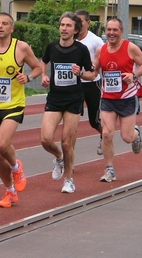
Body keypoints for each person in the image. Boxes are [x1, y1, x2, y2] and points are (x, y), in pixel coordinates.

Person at [0, 12, 42, 208]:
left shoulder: (21, 47)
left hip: (13, 105)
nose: (0, 26)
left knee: (1, 143)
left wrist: (28, 78)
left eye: (5, 23)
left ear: (11, 28)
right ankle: (10, 191)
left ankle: (16, 167)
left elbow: (38, 67)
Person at [40, 12, 96, 193]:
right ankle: (58, 158)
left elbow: (91, 74)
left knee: (66, 143)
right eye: (62, 25)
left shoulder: (81, 50)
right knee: (45, 139)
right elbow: (44, 61)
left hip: (74, 99)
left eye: (68, 26)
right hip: (55, 98)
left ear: (76, 30)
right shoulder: (52, 47)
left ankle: (69, 180)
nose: (64, 28)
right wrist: (43, 75)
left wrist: (80, 73)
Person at [93, 18, 142, 183]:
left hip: (127, 97)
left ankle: (136, 133)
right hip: (108, 98)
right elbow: (93, 70)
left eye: (114, 30)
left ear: (121, 31)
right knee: (106, 134)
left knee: (126, 137)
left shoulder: (130, 48)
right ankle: (109, 169)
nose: (111, 33)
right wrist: (82, 72)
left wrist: (134, 75)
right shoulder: (101, 50)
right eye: (108, 30)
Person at [75, 10, 105, 155]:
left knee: (94, 120)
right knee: (71, 121)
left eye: (81, 21)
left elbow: (100, 64)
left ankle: (104, 135)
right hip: (74, 84)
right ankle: (69, 158)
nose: (78, 24)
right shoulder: (70, 39)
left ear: (88, 23)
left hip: (92, 84)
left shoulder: (96, 41)